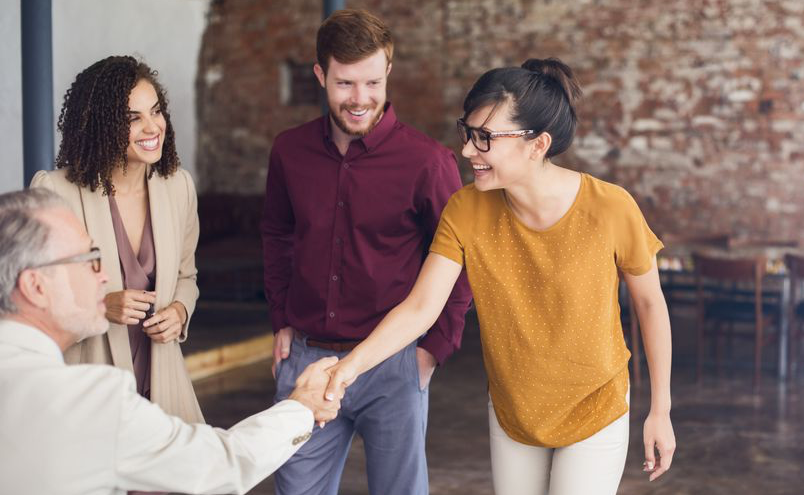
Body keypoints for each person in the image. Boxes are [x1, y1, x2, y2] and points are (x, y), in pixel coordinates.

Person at [325, 58, 676, 495]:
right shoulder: (465, 209)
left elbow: (649, 304)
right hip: (514, 409)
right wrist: (347, 369)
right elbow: (421, 307)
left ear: (537, 144)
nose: (468, 150)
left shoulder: (610, 207)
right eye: (467, 133)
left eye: (485, 138)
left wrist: (659, 408)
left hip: (595, 406)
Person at [0, 188, 341, 495]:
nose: (103, 275)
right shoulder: (90, 400)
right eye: (88, 260)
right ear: (35, 286)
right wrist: (302, 407)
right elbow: (222, 463)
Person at [261, 9, 472, 495]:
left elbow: (461, 264)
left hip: (396, 365)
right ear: (320, 75)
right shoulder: (289, 152)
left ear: (388, 73)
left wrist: (433, 350)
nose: (360, 99)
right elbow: (277, 234)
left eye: (372, 82)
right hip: (308, 362)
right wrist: (281, 318)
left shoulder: (428, 162)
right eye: (345, 83)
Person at [31, 56, 204, 426]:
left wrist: (180, 312)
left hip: (163, 384)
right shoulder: (55, 192)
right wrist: (98, 306)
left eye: (155, 111)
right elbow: (31, 302)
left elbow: (186, 277)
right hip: (87, 386)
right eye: (133, 118)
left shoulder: (179, 187)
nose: (152, 126)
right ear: (101, 125)